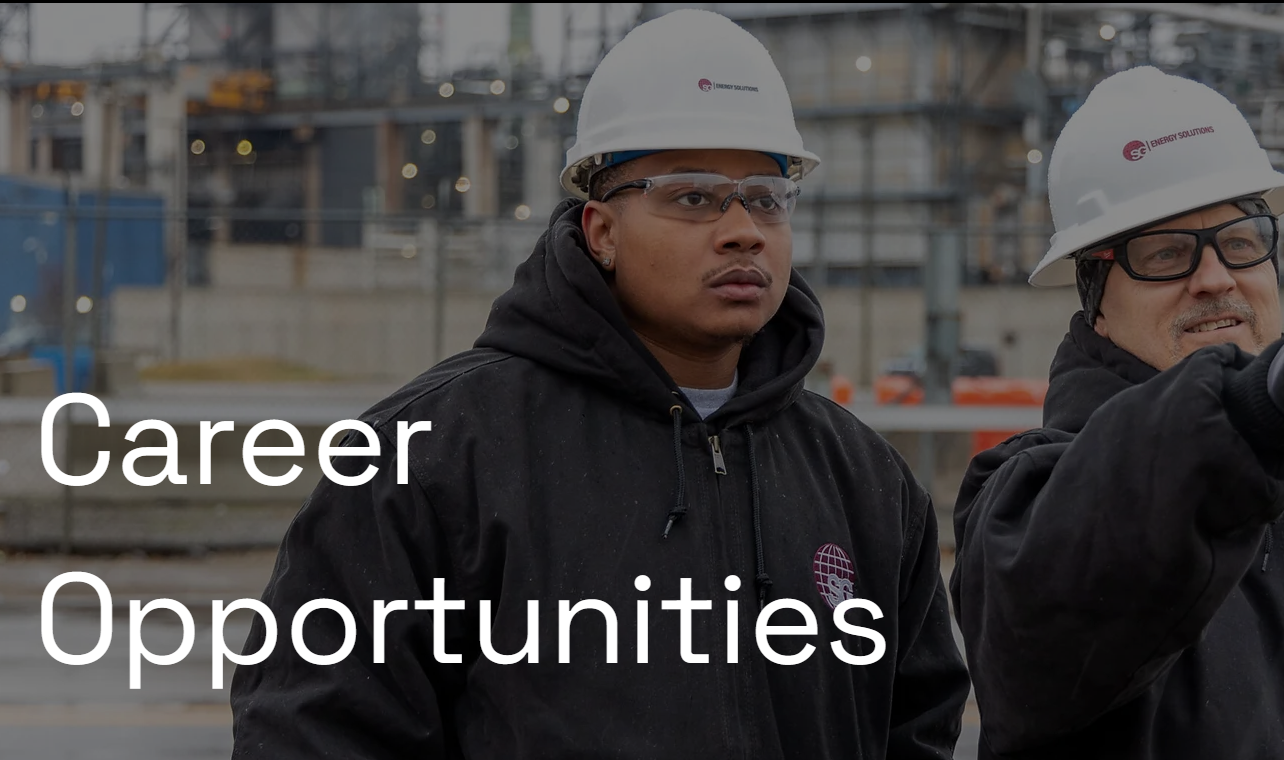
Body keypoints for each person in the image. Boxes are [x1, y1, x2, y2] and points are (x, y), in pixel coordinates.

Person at [229, 8, 971, 759]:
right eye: (693, 196)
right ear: (601, 232)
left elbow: (917, 727)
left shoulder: (864, 482)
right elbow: (312, 731)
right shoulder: (432, 458)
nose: (743, 227)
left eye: (766, 197)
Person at [951, 65, 1284, 760]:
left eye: (1243, 241)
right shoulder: (1026, 501)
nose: (1218, 277)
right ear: (1095, 293)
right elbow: (1056, 605)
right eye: (1166, 254)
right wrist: (1245, 417)